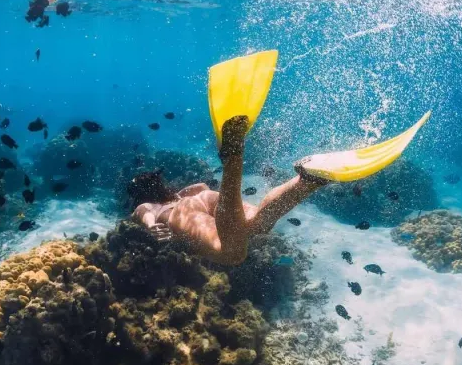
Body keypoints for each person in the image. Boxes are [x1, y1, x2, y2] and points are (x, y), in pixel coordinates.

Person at [131, 50, 431, 265]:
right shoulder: (187, 193)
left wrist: (149, 225)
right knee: (257, 225)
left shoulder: (151, 207)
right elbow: (200, 187)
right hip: (205, 201)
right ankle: (307, 181)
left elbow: (143, 214)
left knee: (232, 254)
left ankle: (233, 158)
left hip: (189, 219)